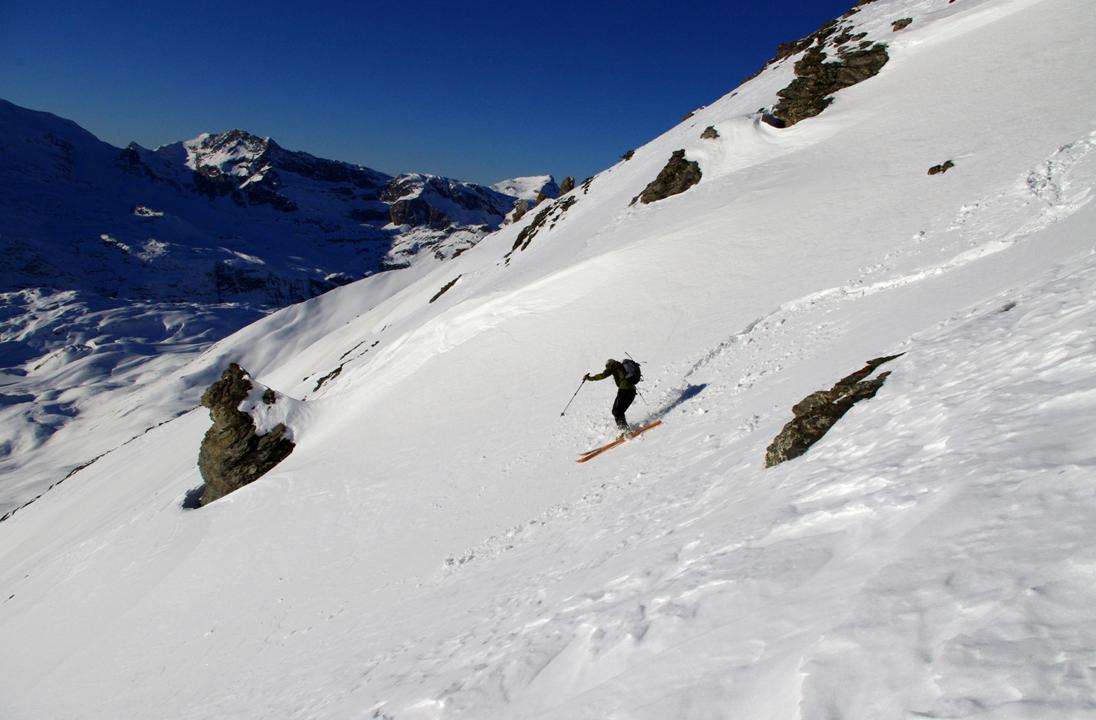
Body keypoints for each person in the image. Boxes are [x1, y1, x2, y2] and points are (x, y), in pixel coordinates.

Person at [584, 359, 636, 432]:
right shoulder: (621, 367)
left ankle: (624, 430)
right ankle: (625, 429)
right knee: (619, 411)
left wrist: (590, 378)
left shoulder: (613, 365)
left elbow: (603, 375)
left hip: (624, 389)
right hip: (632, 391)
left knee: (616, 411)